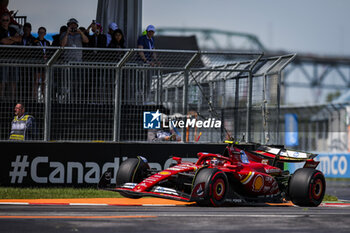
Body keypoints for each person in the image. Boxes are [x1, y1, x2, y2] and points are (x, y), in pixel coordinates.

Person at [33, 27, 50, 101]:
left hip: (45, 63)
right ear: (38, 33)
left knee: (44, 82)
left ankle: (44, 98)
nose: (41, 34)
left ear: (45, 34)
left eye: (43, 32)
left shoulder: (47, 42)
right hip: (37, 63)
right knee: (36, 82)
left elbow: (49, 52)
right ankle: (35, 98)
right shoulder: (34, 41)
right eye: (40, 32)